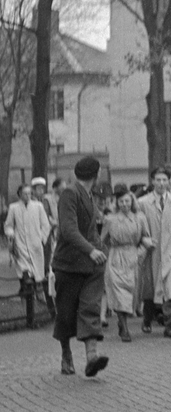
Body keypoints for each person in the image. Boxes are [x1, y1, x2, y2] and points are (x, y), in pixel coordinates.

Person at [52, 155, 109, 377]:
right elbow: (68, 230)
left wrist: (100, 249)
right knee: (66, 314)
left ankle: (92, 357)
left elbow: (91, 231)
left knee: (90, 307)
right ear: (96, 174)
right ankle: (66, 353)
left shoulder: (90, 195)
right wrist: (91, 250)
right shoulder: (70, 194)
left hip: (91, 265)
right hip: (69, 264)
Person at [101, 184, 155, 343]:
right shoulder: (110, 219)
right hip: (116, 258)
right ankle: (124, 326)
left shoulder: (140, 218)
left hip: (133, 257)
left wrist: (141, 252)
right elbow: (102, 240)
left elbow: (146, 237)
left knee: (131, 294)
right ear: (117, 203)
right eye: (121, 202)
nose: (124, 204)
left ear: (132, 202)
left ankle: (122, 320)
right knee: (119, 293)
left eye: (127, 201)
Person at [138, 167, 171, 338]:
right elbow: (139, 226)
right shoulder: (143, 202)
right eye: (158, 180)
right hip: (152, 251)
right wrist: (144, 240)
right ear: (152, 181)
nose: (161, 183)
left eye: (165, 180)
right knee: (150, 289)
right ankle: (147, 318)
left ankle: (169, 324)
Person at [5, 183, 51, 328]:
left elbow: (46, 225)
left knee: (38, 278)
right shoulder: (14, 208)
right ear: (19, 194)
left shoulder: (38, 207)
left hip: (36, 247)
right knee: (27, 278)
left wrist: (41, 239)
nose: (27, 196)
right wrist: (11, 235)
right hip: (21, 247)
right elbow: (8, 225)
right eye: (25, 194)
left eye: (29, 193)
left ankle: (43, 310)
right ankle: (29, 315)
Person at [31, 176, 57, 320]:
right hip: (36, 239)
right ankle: (38, 297)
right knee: (37, 270)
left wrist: (52, 223)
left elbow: (49, 217)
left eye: (42, 188)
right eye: (38, 189)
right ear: (33, 190)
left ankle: (51, 306)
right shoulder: (31, 203)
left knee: (47, 270)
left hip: (47, 239)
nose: (41, 191)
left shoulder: (45, 201)